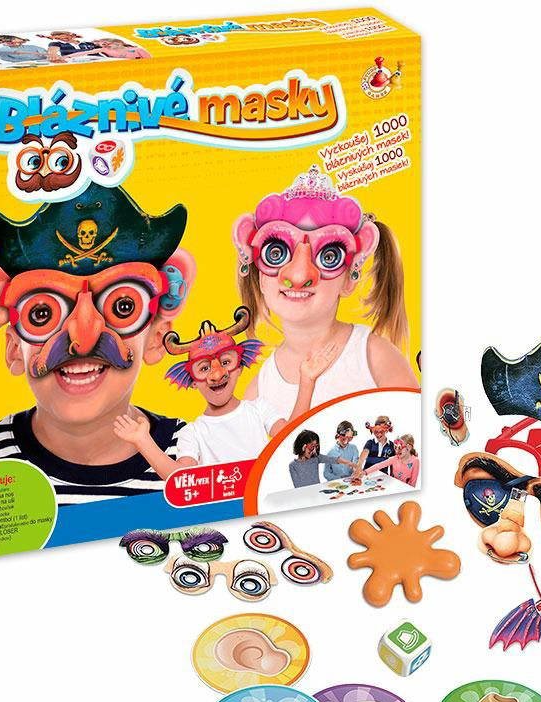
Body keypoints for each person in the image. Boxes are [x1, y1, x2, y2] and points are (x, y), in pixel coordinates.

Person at [0, 183, 194, 505]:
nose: (82, 338)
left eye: (122, 306)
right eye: (42, 313)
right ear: (14, 348)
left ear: (157, 339)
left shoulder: (196, 455)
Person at [233, 165, 418, 420]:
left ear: (349, 279)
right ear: (260, 277)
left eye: (328, 256)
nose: (298, 276)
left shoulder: (373, 357)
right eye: (276, 252)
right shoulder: (259, 390)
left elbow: (417, 431)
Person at [113, 307, 338, 476]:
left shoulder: (258, 409)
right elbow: (180, 478)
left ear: (239, 367)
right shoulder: (192, 432)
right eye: (204, 368)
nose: (217, 374)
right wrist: (143, 441)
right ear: (193, 381)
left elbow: (292, 437)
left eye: (225, 362)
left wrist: (307, 381)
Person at [289, 430, 357, 488]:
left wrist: (351, 463)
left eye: (316, 447)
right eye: (312, 447)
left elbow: (334, 459)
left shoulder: (316, 458)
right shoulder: (293, 465)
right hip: (304, 495)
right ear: (302, 446)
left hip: (317, 492)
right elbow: (297, 487)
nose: (314, 451)